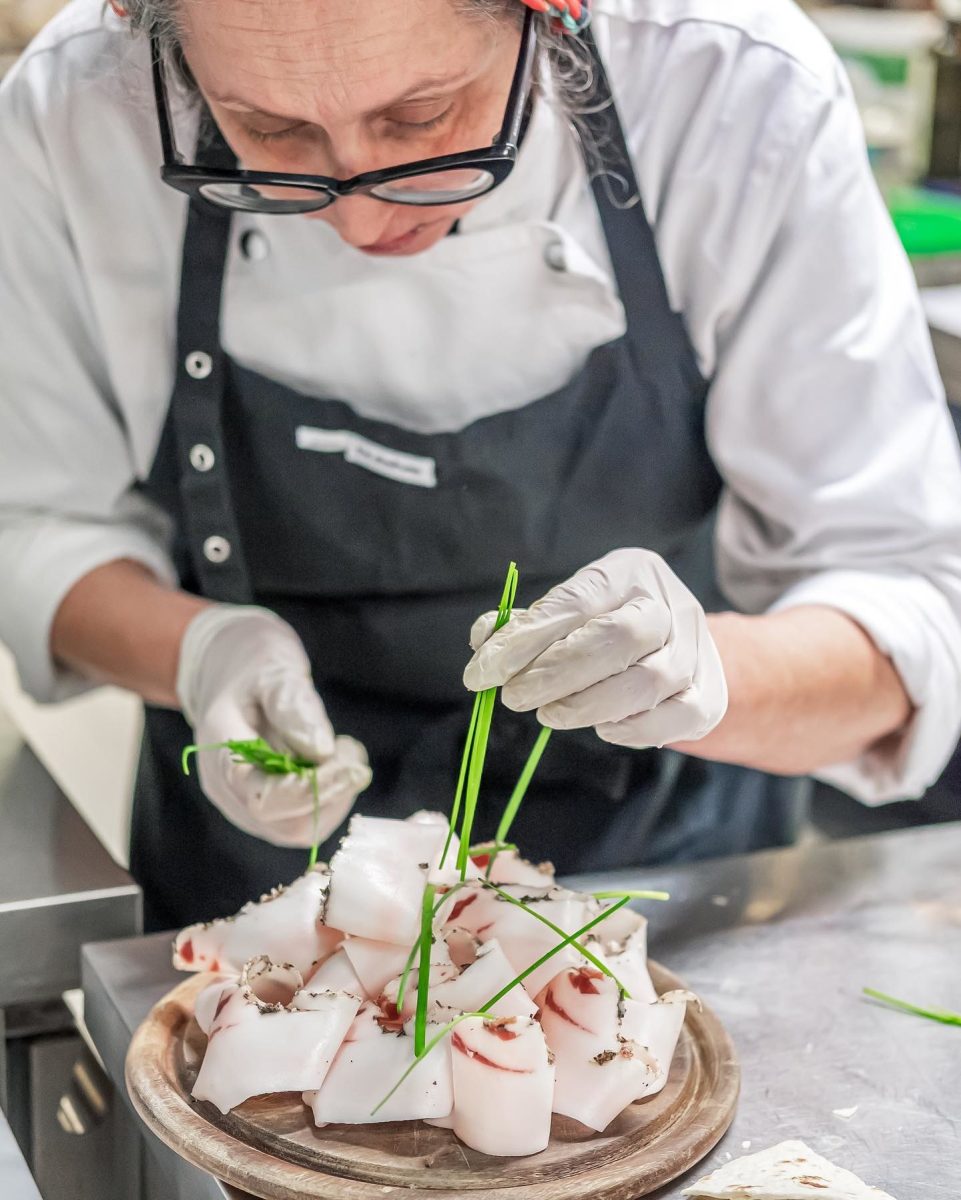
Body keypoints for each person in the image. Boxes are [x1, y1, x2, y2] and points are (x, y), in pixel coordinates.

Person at [2, 0, 960, 930]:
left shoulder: (732, 87)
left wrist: (707, 676)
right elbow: (34, 526)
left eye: (421, 117)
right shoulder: (71, 111)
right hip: (258, 920)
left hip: (677, 903)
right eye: (267, 129)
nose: (366, 219)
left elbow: (907, 600)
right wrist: (202, 654)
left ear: (555, 10)